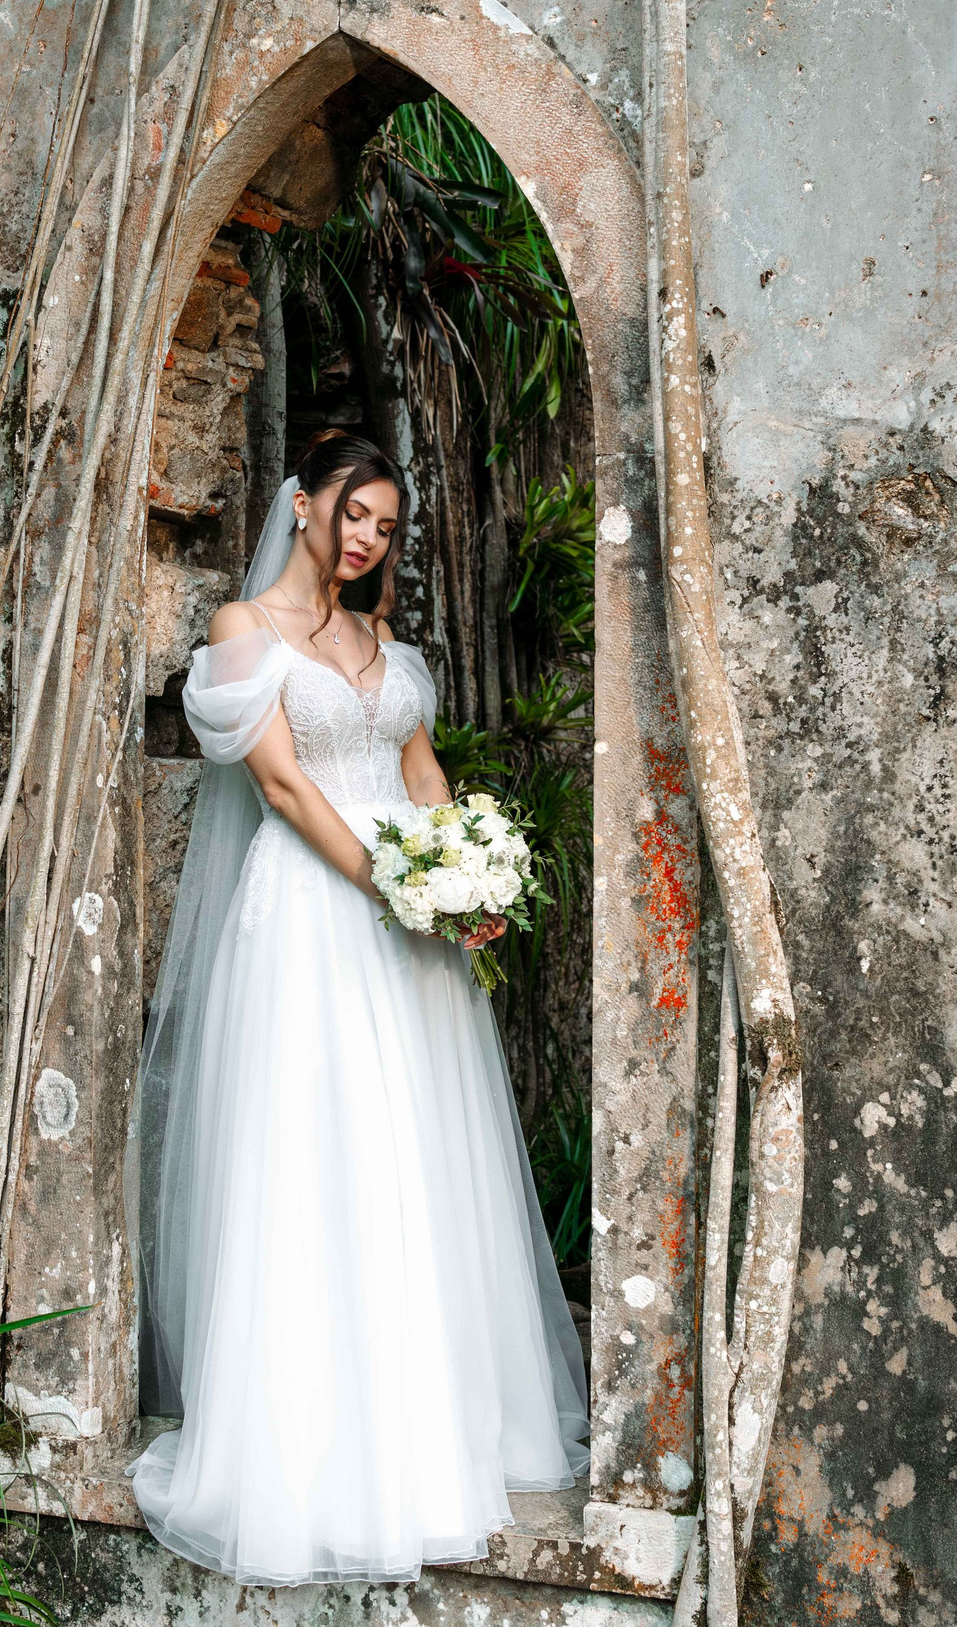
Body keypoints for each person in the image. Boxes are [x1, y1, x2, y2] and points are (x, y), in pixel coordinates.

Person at [130, 429, 590, 1585]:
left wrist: (458, 871)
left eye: (385, 526)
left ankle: (436, 1423)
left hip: (411, 921)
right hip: (313, 913)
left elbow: (420, 767)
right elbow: (283, 784)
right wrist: (388, 880)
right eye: (354, 515)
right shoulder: (245, 637)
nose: (367, 540)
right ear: (302, 505)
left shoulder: (383, 641)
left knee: (419, 1152)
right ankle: (311, 1441)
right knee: (318, 1148)